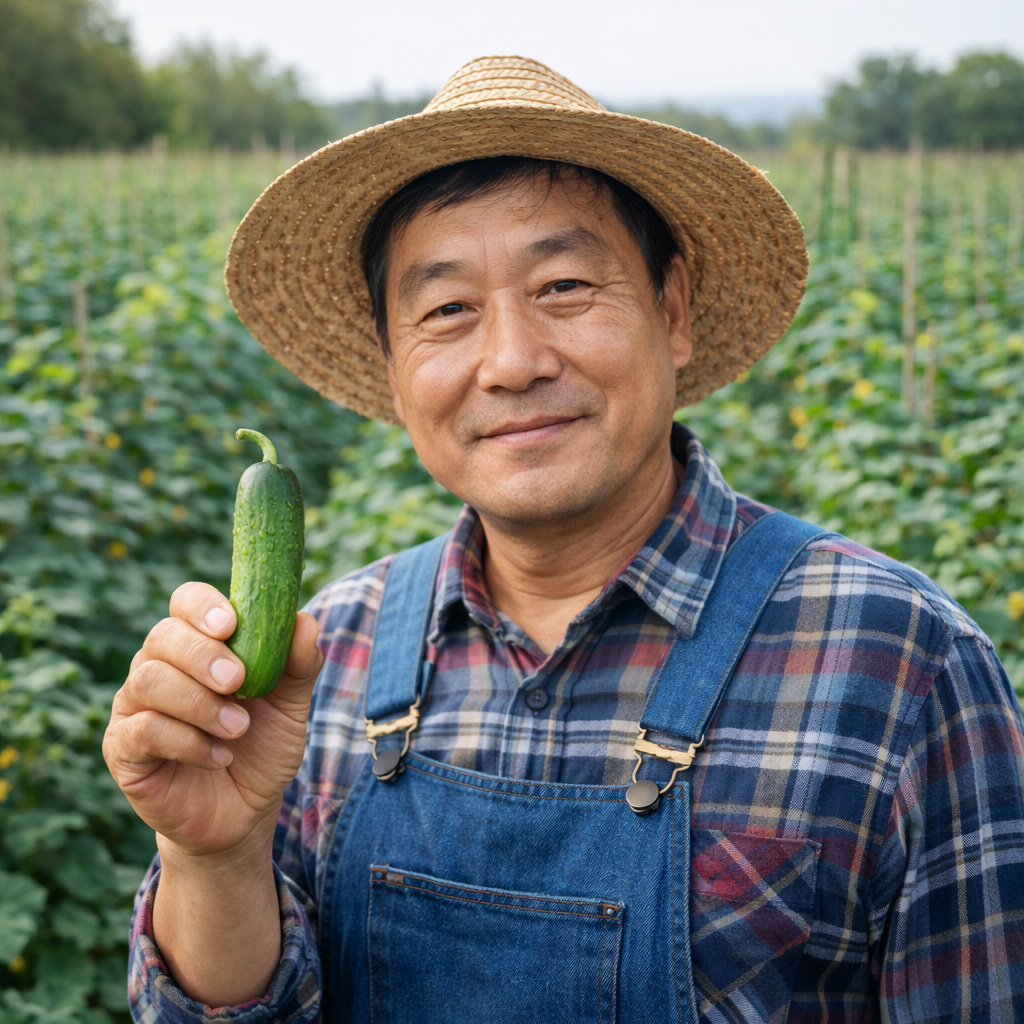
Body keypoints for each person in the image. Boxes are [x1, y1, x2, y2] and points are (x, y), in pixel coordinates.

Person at [104, 56, 1024, 1024]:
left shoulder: (900, 661)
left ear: (670, 312)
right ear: (391, 363)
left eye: (564, 285)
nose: (510, 361)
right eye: (448, 309)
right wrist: (212, 856)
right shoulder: (319, 652)